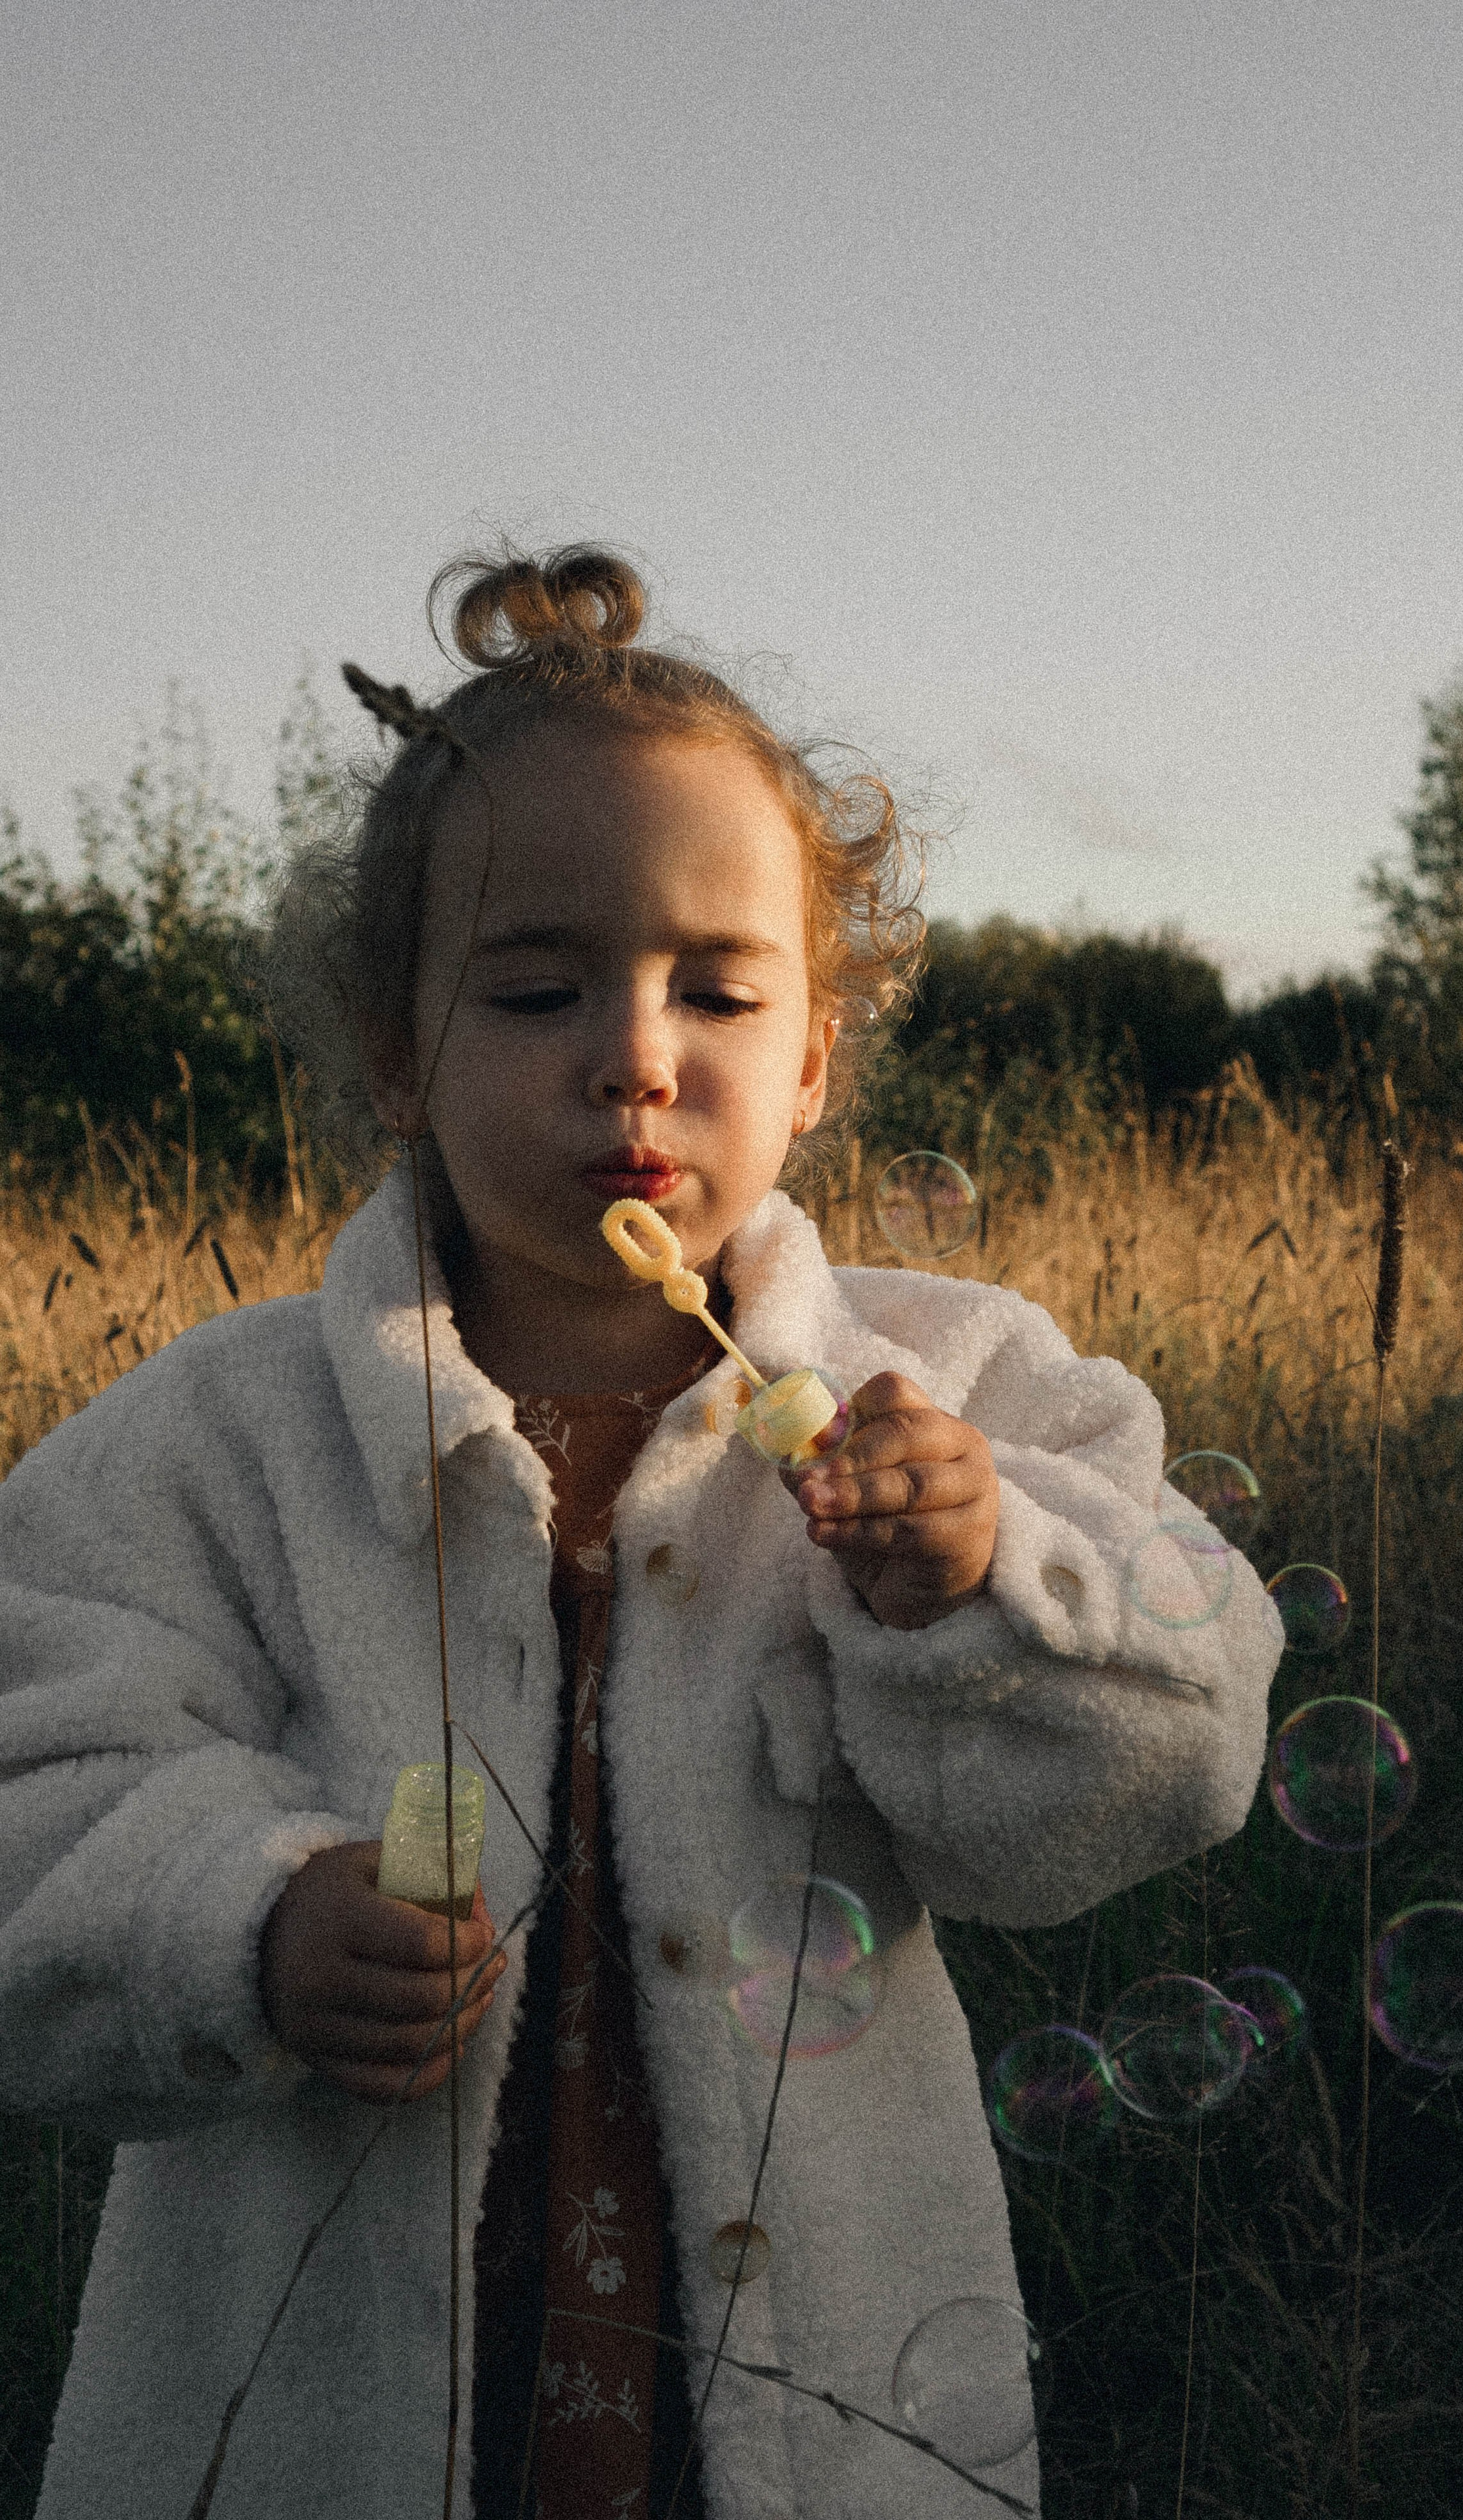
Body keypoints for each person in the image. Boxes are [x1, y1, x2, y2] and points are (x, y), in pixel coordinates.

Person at [0, 547, 1283, 2520]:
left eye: (718, 986)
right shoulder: (218, 1445)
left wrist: (981, 1582)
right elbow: (29, 1788)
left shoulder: (957, 1391)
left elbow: (1184, 1737)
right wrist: (242, 1920)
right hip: (310, 2415)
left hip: (800, 2407)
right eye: (536, 986)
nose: (636, 1051)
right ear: (397, 1053)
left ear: (818, 1057)